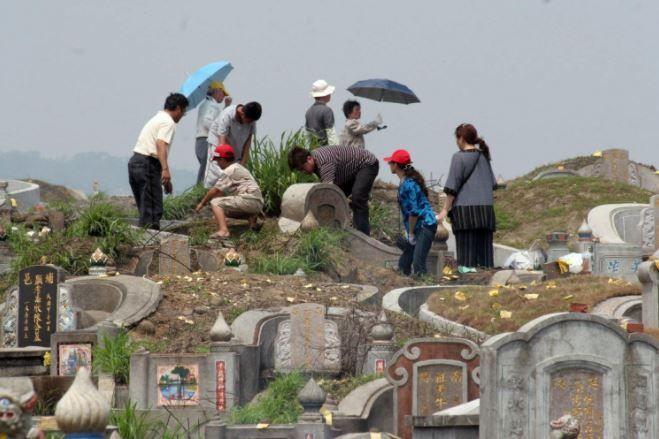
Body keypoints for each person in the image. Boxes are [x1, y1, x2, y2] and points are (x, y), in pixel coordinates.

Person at [437, 123, 497, 271]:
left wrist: (445, 210)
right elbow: (493, 184)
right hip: (486, 211)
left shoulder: (458, 158)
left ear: (461, 139)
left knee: (467, 259)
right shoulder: (483, 156)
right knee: (485, 258)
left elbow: (452, 187)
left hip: (466, 212)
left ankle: (468, 283)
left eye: (457, 139)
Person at [288, 144, 379, 235]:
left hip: (367, 164)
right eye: (300, 170)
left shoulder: (324, 163)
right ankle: (342, 230)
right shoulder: (315, 160)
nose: (303, 172)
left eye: (303, 168)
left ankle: (363, 235)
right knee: (339, 200)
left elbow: (328, 193)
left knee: (358, 198)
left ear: (309, 159)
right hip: (349, 171)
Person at [128, 93, 188, 229]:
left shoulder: (157, 118)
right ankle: (151, 242)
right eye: (183, 112)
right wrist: (165, 170)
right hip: (147, 163)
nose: (182, 116)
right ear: (178, 108)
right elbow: (160, 144)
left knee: (145, 208)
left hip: (136, 162)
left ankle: (143, 236)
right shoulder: (168, 122)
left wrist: (165, 177)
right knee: (153, 211)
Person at [385, 149, 438, 276]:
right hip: (418, 226)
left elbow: (414, 212)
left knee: (418, 262)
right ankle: (406, 282)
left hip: (425, 225)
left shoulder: (408, 185)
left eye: (390, 162)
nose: (389, 165)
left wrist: (411, 233)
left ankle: (424, 287)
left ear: (396, 165)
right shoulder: (405, 182)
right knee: (404, 263)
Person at [195, 144, 264, 239]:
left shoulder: (229, 170)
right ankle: (252, 218)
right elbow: (221, 191)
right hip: (257, 203)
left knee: (216, 203)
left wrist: (202, 204)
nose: (218, 164)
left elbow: (214, 191)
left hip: (248, 200)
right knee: (224, 211)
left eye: (218, 161)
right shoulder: (238, 167)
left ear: (223, 160)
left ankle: (223, 231)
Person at [205, 101, 262, 186]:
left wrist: (242, 165)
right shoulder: (227, 115)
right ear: (242, 114)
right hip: (218, 143)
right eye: (249, 121)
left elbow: (247, 145)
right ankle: (208, 192)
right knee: (217, 172)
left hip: (236, 145)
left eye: (252, 121)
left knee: (237, 173)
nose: (250, 123)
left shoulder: (252, 121)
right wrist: (225, 164)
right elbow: (222, 143)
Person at [194, 81, 232, 184]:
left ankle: (202, 188)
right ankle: (200, 189)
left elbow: (217, 119)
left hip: (201, 140)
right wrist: (220, 132)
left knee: (207, 167)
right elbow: (207, 122)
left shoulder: (208, 104)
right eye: (223, 93)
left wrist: (226, 107)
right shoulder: (211, 106)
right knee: (206, 168)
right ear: (218, 92)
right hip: (205, 140)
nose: (223, 96)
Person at [305, 79, 338, 146]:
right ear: (324, 95)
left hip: (313, 149)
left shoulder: (308, 112)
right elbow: (331, 133)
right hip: (325, 149)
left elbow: (307, 135)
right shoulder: (327, 110)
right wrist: (336, 150)